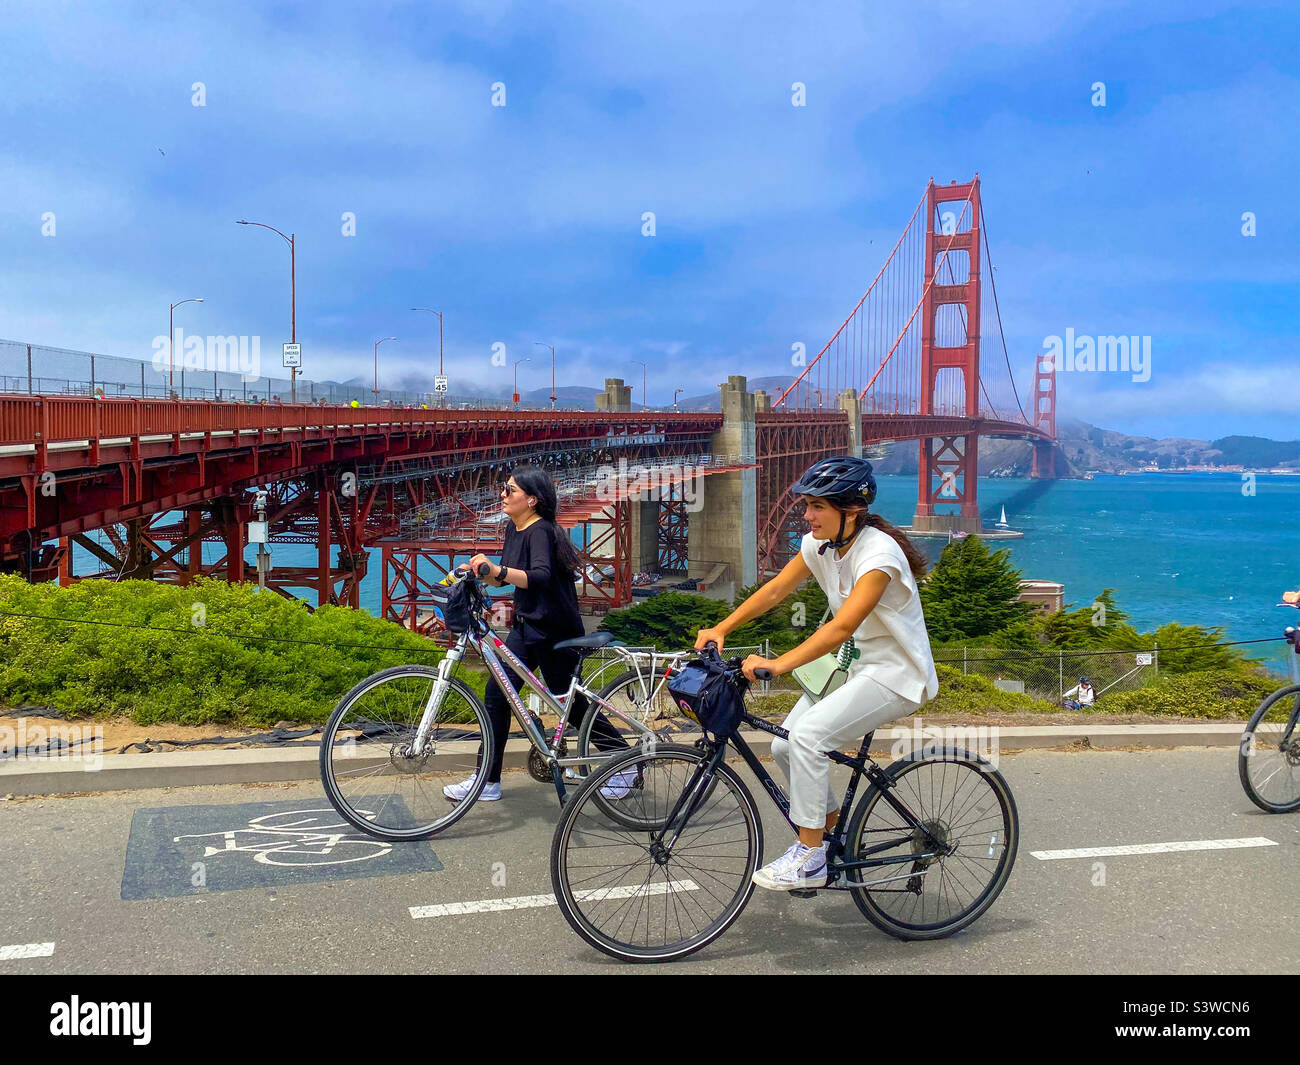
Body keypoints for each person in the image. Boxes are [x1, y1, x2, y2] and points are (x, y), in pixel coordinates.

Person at [694, 456, 938, 891]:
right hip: (854, 667)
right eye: (806, 505)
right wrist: (722, 627)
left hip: (897, 673)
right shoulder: (819, 544)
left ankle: (809, 858)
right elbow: (773, 589)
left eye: (817, 507)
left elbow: (841, 627)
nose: (806, 516)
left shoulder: (880, 555)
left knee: (809, 737)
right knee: (786, 745)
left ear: (851, 510)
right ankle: (826, 842)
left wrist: (779, 664)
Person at [442, 464, 632, 802]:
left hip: (555, 632)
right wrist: (476, 573)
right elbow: (506, 576)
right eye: (504, 487)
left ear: (532, 500)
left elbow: (540, 576)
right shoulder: (514, 529)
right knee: (496, 697)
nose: (502, 494)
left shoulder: (541, 530)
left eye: (510, 490)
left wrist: (496, 569)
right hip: (527, 627)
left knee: (570, 705)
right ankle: (487, 781)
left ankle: (627, 764)